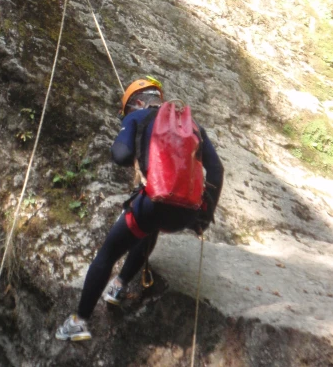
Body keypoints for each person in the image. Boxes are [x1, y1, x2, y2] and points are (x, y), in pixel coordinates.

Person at [55, 77, 224, 342]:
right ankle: (119, 287)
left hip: (153, 206)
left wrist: (130, 138)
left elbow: (120, 155)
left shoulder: (138, 117)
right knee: (149, 228)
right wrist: (205, 215)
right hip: (185, 214)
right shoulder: (192, 126)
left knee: (109, 252)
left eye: (128, 111)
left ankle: (79, 321)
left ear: (136, 102)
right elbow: (216, 170)